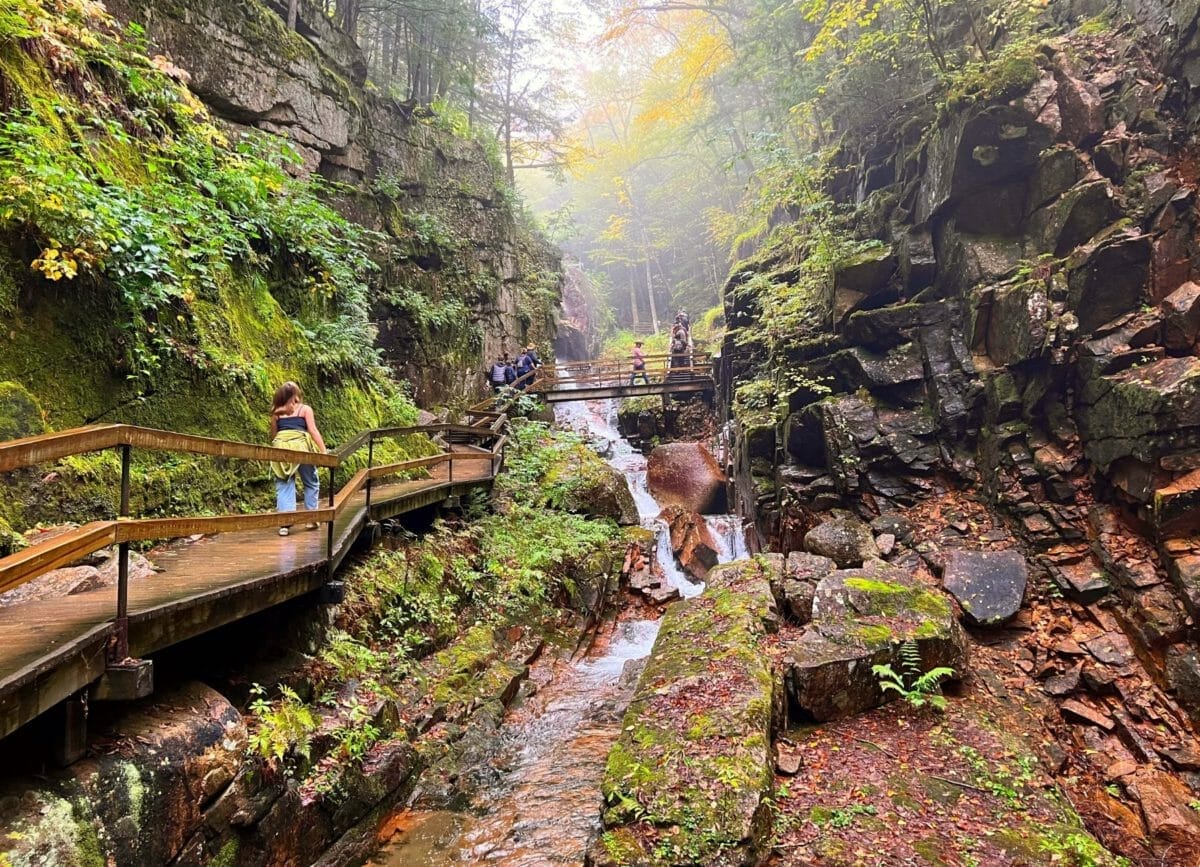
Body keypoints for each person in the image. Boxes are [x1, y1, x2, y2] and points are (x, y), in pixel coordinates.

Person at [269, 382, 326, 537]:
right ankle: (311, 519)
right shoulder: (305, 409)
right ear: (295, 395)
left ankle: (285, 524)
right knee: (311, 482)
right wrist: (323, 451)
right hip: (302, 447)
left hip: (281, 448)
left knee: (284, 482)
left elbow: (274, 435)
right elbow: (313, 430)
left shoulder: (276, 413)